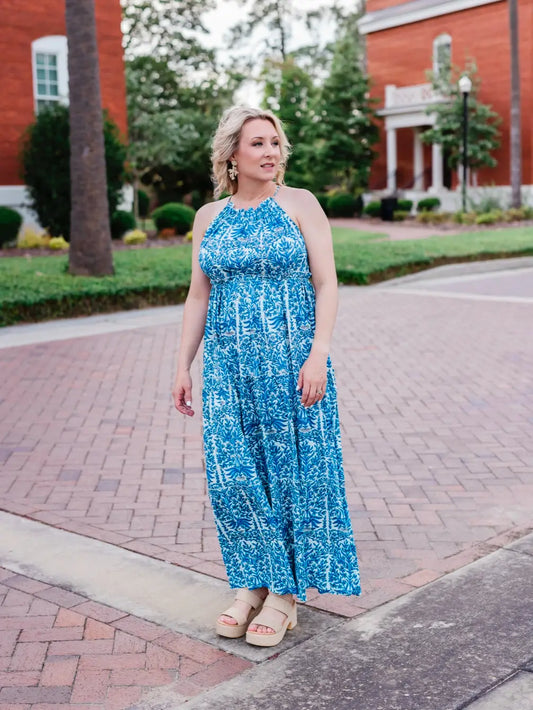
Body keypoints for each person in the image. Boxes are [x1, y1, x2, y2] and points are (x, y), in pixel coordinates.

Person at [172, 105, 360, 648]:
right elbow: (198, 294)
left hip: (291, 361)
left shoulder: (300, 204)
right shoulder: (210, 217)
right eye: (258, 143)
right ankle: (251, 582)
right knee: (234, 477)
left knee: (290, 477)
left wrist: (318, 352)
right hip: (228, 366)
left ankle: (284, 595)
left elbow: (327, 283)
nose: (271, 152)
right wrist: (182, 364)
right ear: (232, 155)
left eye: (276, 142)